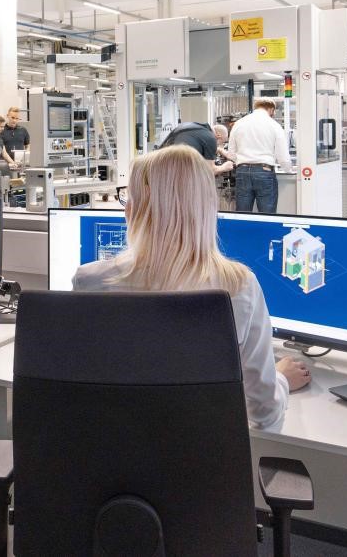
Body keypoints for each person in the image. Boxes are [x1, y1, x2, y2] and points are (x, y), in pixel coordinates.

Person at [71, 146, 310, 431]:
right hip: (203, 455)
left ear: (134, 209)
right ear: (206, 208)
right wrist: (282, 378)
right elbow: (265, 413)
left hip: (107, 449)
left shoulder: (90, 281)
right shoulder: (239, 287)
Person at [227, 99, 292, 213]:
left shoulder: (239, 124)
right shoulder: (274, 125)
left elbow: (231, 154)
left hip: (242, 171)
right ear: (271, 109)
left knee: (242, 214)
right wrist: (288, 169)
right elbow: (283, 155)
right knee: (267, 215)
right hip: (264, 171)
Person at [160, 121, 234, 177]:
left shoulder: (197, 128)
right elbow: (210, 171)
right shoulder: (211, 138)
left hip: (160, 165)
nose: (218, 145)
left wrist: (220, 150)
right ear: (218, 136)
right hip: (173, 172)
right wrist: (224, 167)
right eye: (221, 143)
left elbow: (194, 145)